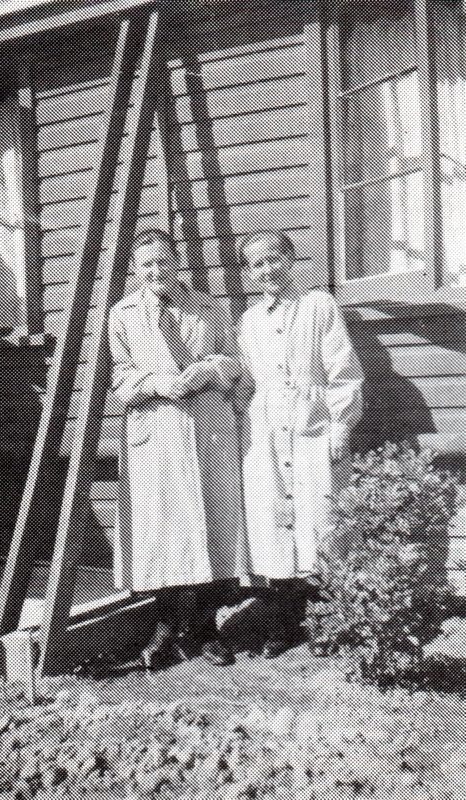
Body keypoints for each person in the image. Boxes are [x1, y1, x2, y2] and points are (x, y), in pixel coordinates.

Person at [108, 228, 245, 668]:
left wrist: (210, 370)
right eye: (146, 265)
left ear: (178, 261)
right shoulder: (122, 316)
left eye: (164, 262)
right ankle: (167, 627)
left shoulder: (210, 306)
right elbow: (121, 380)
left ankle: (203, 630)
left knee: (211, 530)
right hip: (157, 431)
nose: (156, 272)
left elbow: (237, 364)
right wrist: (164, 384)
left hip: (207, 427)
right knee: (165, 536)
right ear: (135, 268)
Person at [237, 229, 364, 657]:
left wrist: (339, 430)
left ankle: (331, 622)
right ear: (249, 273)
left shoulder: (318, 305)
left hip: (313, 429)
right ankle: (283, 622)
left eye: (274, 259)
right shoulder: (251, 319)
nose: (267, 270)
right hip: (268, 431)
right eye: (256, 265)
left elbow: (343, 374)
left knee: (321, 525)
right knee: (274, 527)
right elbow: (251, 380)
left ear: (291, 260)